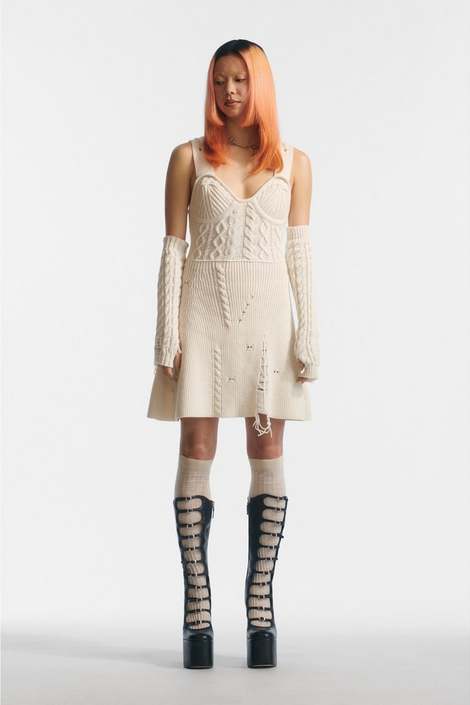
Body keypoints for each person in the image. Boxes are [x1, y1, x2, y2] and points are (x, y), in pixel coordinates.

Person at [146, 39, 320, 669]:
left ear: (260, 85)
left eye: (240, 80)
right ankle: (197, 604)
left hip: (269, 322)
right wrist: (166, 333)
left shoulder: (295, 163)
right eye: (220, 81)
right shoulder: (188, 158)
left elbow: (299, 252)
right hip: (203, 315)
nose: (229, 92)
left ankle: (259, 600)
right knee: (197, 446)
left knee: (266, 448)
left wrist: (309, 332)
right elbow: (173, 249)